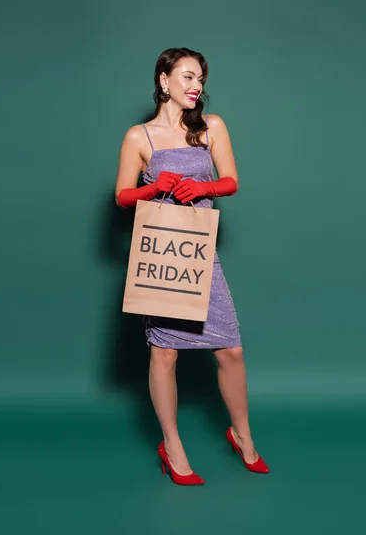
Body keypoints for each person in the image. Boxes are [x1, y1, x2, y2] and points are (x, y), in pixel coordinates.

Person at [115, 47, 269, 485]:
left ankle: (242, 435)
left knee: (231, 349)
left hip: (199, 250)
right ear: (163, 81)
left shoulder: (212, 126)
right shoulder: (138, 137)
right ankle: (172, 445)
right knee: (164, 352)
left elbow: (231, 181)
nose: (196, 86)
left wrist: (199, 187)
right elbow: (122, 195)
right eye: (186, 77)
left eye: (199, 78)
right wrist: (152, 189)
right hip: (161, 252)